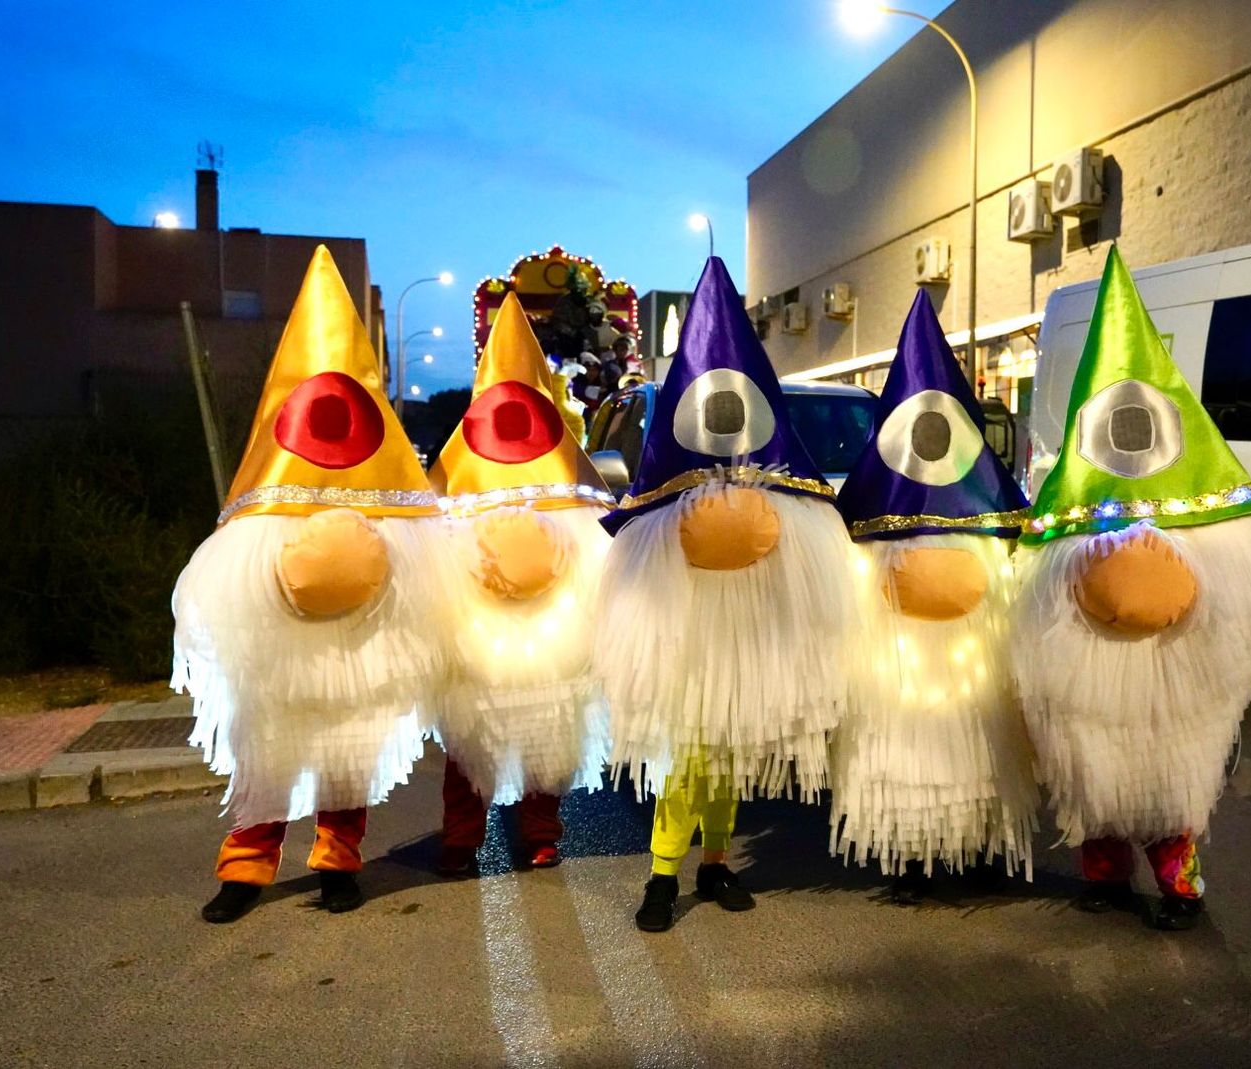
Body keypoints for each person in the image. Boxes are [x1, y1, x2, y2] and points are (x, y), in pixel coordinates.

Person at [1009, 246, 1251, 930]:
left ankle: (1181, 885)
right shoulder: (1074, 503)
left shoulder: (1206, 505)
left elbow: (1248, 576)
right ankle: (1107, 875)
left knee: (1167, 781)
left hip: (1170, 672)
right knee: (1095, 771)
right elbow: (1031, 578)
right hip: (1095, 670)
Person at [173, 246, 455, 924]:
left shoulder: (387, 503)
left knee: (345, 753)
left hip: (356, 638)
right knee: (267, 750)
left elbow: (424, 566)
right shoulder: (264, 503)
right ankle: (245, 864)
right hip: (282, 644)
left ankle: (338, 860)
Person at [593, 256, 856, 933]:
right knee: (687, 763)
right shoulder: (664, 493)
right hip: (690, 641)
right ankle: (662, 874)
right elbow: (634, 556)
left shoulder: (787, 492)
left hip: (749, 639)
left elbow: (816, 555)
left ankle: (714, 863)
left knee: (728, 760)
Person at [830, 289, 1039, 903]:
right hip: (900, 662)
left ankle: (973, 843)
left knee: (977, 742)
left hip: (970, 656)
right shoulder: (870, 507)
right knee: (903, 748)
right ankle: (909, 847)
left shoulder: (993, 507)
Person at [426, 291, 616, 875]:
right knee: (469, 738)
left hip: (549, 625)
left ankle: (541, 833)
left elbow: (599, 544)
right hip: (479, 627)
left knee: (546, 733)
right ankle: (461, 838)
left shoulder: (567, 474)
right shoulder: (459, 472)